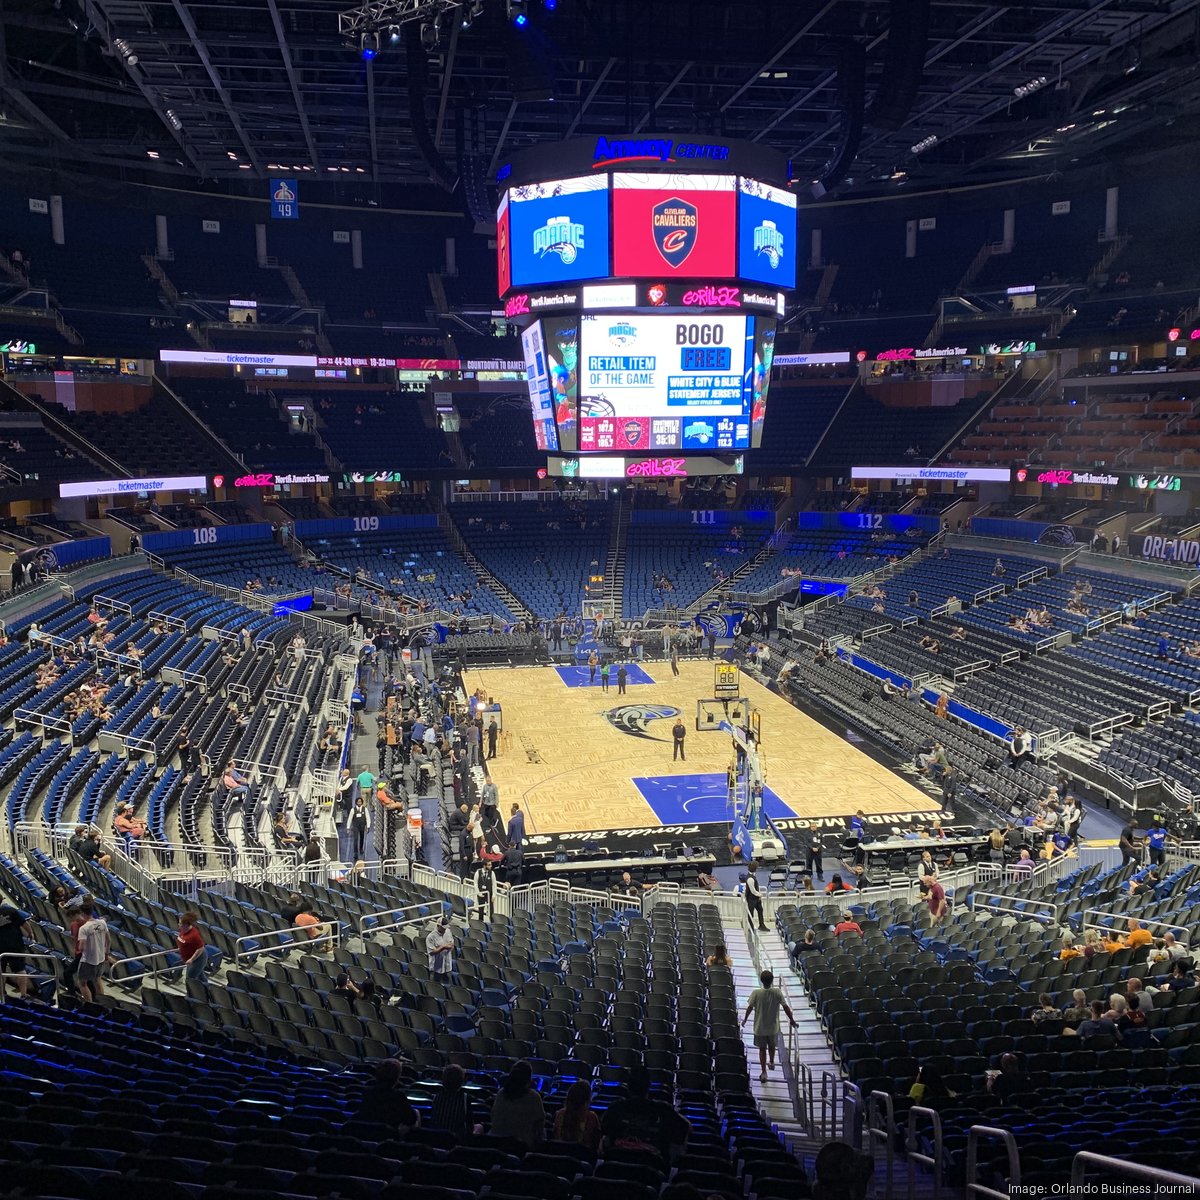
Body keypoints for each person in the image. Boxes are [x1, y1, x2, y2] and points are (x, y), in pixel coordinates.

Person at [601, 1065, 690, 1163]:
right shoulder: (663, 1110)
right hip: (652, 1171)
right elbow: (685, 1128)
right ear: (649, 1085)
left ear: (628, 1086)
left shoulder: (615, 1108)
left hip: (616, 1168)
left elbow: (604, 1135)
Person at [742, 969, 796, 1081]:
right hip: (773, 1027)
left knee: (762, 1049)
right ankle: (771, 1061)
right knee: (772, 1046)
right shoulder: (777, 992)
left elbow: (750, 1008)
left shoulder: (756, 993)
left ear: (762, 981)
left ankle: (764, 1072)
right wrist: (792, 1019)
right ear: (772, 981)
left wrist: (745, 1020)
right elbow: (786, 1007)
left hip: (759, 1027)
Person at [489, 1060, 545, 1148]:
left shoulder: (501, 1093)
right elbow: (540, 1129)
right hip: (521, 1148)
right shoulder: (534, 1097)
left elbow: (493, 1117)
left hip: (496, 1145)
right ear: (529, 1079)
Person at [357, 1059, 420, 1134]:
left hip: (368, 1133)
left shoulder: (367, 1092)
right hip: (390, 1136)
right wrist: (417, 1113)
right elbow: (411, 1120)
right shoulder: (398, 1096)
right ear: (397, 1078)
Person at [428, 1063, 478, 1138]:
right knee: (479, 1127)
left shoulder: (436, 1096)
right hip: (457, 1139)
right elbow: (469, 1122)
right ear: (462, 1081)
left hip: (436, 1137)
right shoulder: (464, 1098)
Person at [553, 1079, 601, 1153]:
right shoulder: (591, 1117)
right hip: (582, 1159)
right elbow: (594, 1146)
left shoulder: (560, 1114)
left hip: (560, 1156)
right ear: (587, 1100)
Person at [74, 904, 109, 1002]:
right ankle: (103, 1003)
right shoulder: (102, 922)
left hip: (88, 960)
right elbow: (109, 940)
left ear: (82, 913)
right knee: (98, 980)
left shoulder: (84, 928)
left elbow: (81, 947)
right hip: (101, 957)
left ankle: (89, 1004)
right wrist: (106, 953)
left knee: (82, 983)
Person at [177, 912, 209, 982]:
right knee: (200, 975)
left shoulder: (194, 935)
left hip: (198, 959)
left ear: (186, 925)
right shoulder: (183, 930)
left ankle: (191, 992)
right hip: (189, 957)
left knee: (190, 978)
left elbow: (200, 948)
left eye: (180, 924)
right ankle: (207, 989)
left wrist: (191, 959)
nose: (178, 925)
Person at [425, 915, 455, 984]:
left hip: (447, 967)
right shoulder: (430, 937)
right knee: (435, 989)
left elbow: (452, 942)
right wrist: (443, 947)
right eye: (443, 928)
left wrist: (451, 946)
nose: (445, 929)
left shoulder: (448, 931)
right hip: (436, 969)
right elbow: (432, 952)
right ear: (438, 926)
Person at [348, 795, 372, 861]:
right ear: (356, 802)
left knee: (362, 838)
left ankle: (361, 849)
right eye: (358, 802)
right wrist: (348, 827)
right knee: (355, 840)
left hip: (362, 826)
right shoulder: (353, 810)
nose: (359, 803)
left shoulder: (365, 809)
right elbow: (350, 819)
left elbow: (368, 818)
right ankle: (355, 853)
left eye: (360, 801)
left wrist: (368, 826)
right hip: (355, 826)